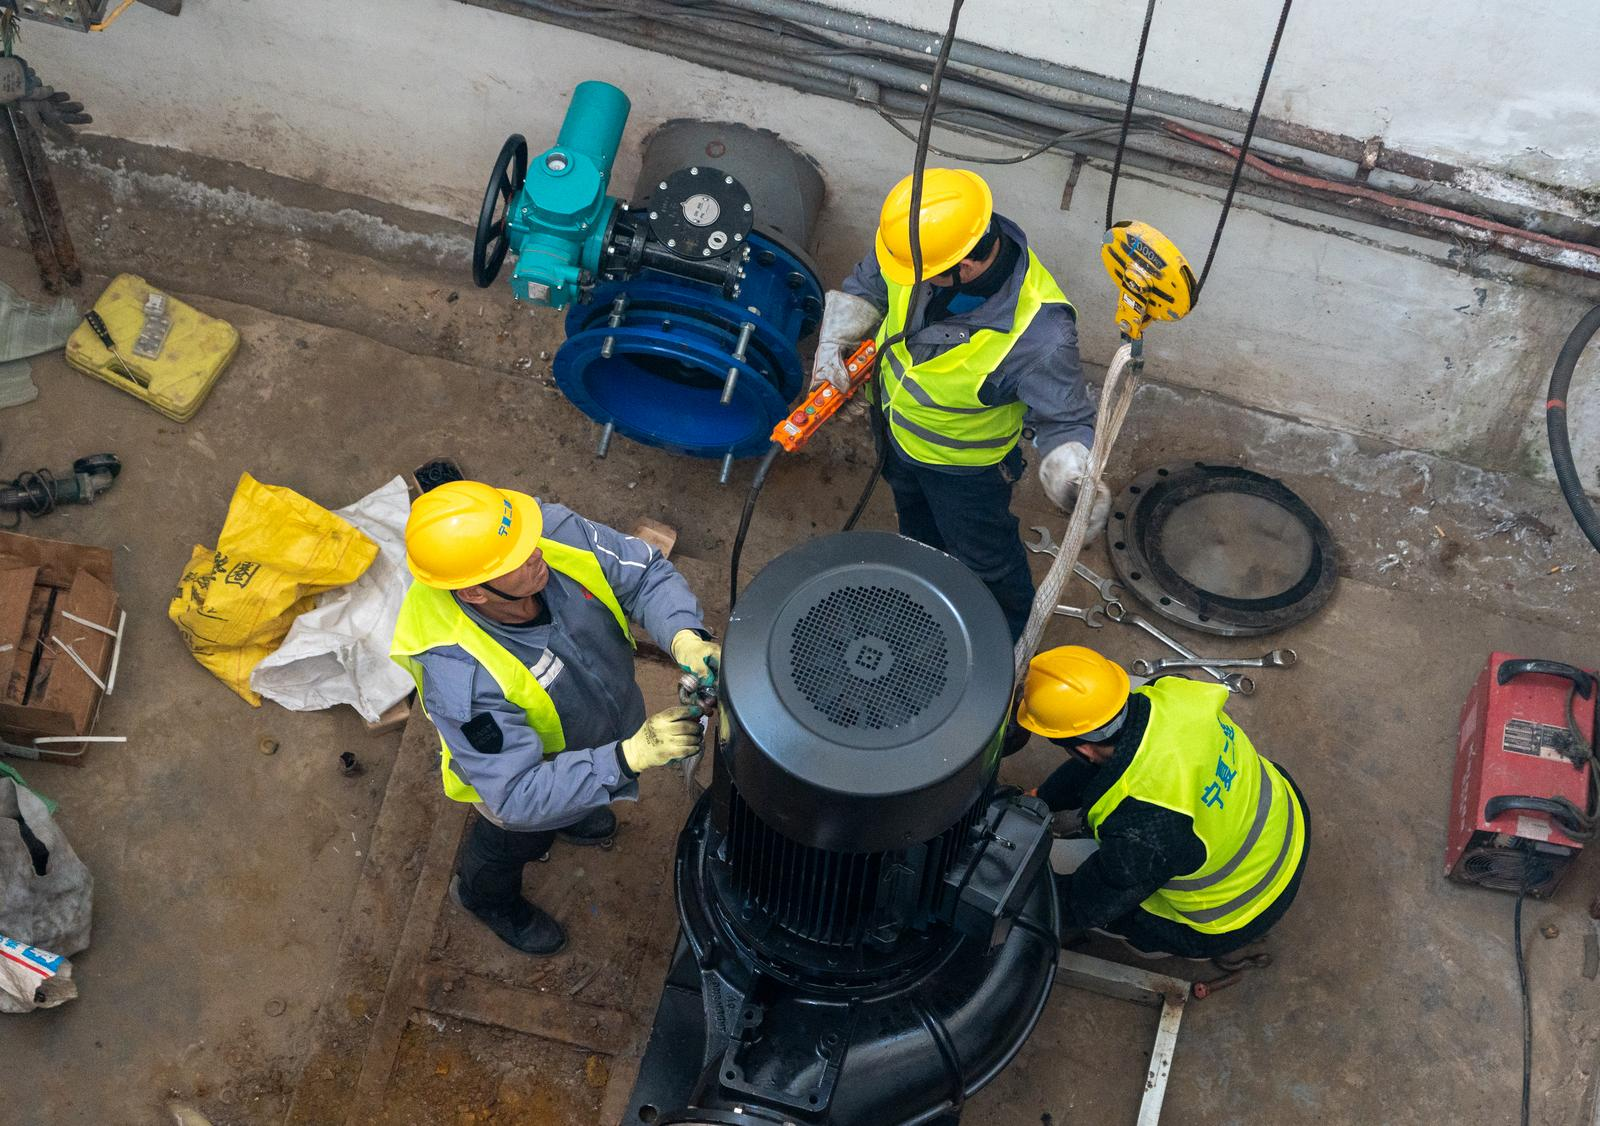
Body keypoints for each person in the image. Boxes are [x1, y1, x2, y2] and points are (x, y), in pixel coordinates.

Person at [390, 481, 720, 955]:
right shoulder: (458, 674)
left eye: (526, 543)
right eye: (516, 561)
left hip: (597, 731)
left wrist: (686, 635)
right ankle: (484, 898)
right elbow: (516, 795)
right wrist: (628, 758)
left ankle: (574, 811)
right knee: (515, 840)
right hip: (521, 783)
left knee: (576, 800)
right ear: (473, 593)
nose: (535, 554)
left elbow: (644, 574)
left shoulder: (534, 534)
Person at [810, 168, 1108, 640]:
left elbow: (1065, 417)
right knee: (918, 530)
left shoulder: (1040, 335)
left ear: (966, 267)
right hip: (894, 434)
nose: (909, 277)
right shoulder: (923, 241)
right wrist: (839, 334)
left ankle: (1006, 645)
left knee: (986, 560)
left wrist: (1071, 467)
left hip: (965, 473)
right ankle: (929, 598)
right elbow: (873, 277)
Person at [1015, 645, 1309, 959]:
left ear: (1083, 749)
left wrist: (1017, 908)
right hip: (1286, 820)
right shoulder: (1172, 693)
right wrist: (1042, 798)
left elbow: (1084, 904)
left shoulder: (1145, 828)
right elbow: (1098, 764)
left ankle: (1160, 943)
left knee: (1110, 902)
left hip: (1237, 913)